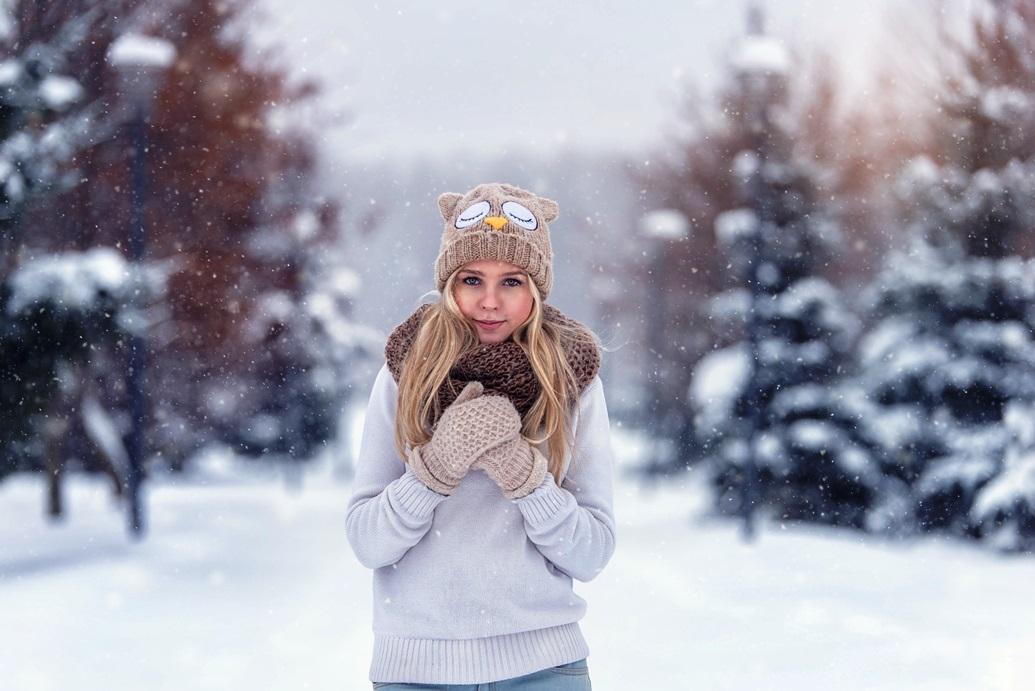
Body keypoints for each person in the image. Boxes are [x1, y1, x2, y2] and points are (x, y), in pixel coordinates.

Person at [346, 182, 617, 690]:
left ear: (536, 288)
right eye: (472, 279)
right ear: (449, 284)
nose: (490, 302)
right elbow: (368, 542)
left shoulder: (571, 380)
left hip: (544, 668)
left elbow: (592, 552)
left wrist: (525, 476)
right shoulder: (405, 373)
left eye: (512, 281)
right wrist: (436, 468)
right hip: (415, 672)